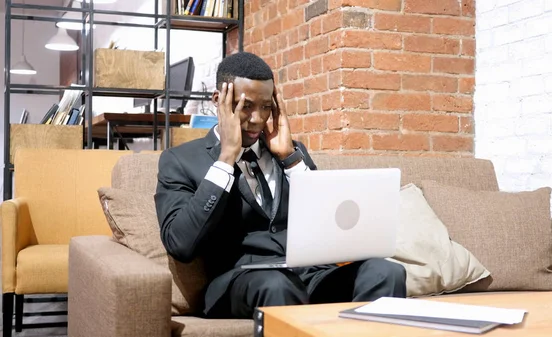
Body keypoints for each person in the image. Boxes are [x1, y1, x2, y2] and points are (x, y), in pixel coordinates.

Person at [154, 52, 407, 319]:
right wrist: (227, 157)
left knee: (386, 271)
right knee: (277, 285)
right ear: (219, 101)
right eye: (246, 106)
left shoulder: (290, 153)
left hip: (310, 275)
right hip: (245, 280)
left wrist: (289, 159)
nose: (257, 118)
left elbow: (323, 221)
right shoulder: (180, 161)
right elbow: (180, 243)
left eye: (266, 106)